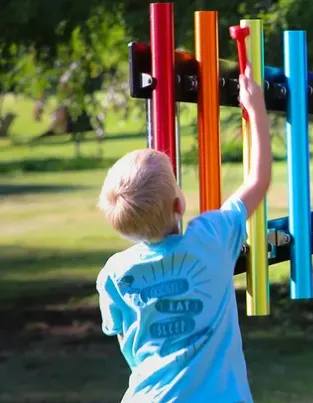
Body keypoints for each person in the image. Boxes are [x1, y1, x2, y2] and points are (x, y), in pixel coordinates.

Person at [95, 64, 271, 403]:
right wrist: (256, 109)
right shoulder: (212, 238)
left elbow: (126, 339)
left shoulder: (114, 275)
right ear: (180, 204)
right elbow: (257, 181)